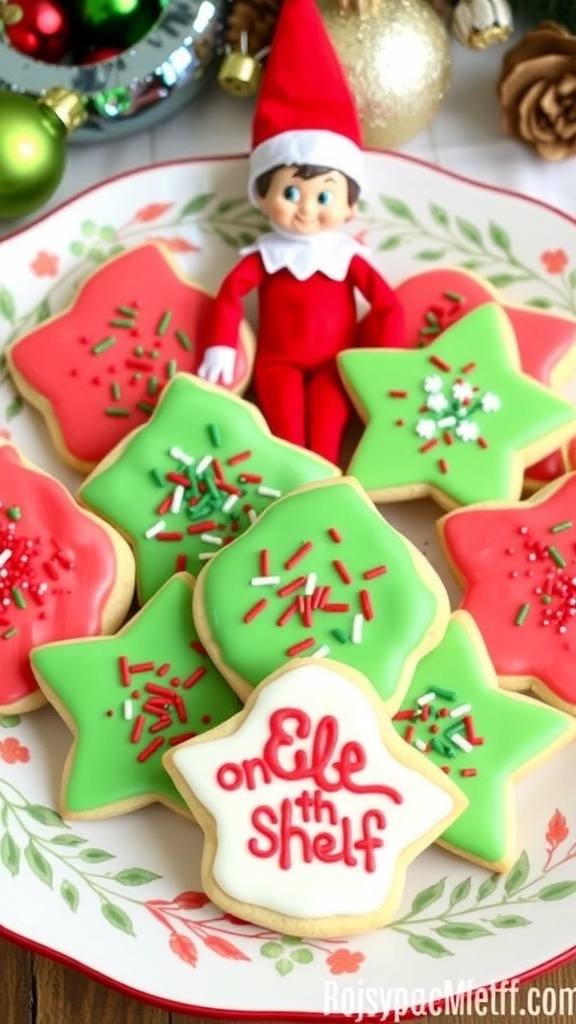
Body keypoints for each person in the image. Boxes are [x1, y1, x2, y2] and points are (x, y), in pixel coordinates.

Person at [198, 0, 405, 465]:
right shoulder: (265, 255)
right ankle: (296, 496)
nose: (307, 209)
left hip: (338, 365)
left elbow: (388, 303)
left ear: (350, 204)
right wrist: (220, 345)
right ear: (262, 195)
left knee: (329, 443)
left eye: (324, 196)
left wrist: (385, 358)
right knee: (289, 442)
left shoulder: (346, 256)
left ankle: (329, 499)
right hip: (277, 366)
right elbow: (229, 297)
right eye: (291, 194)